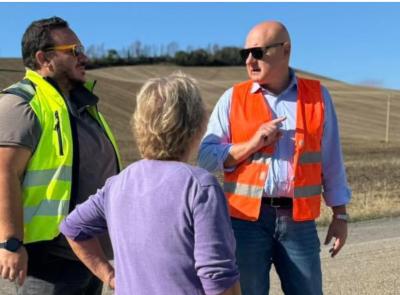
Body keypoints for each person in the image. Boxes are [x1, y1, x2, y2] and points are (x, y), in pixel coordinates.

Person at [198, 20, 351, 295]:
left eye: (258, 52)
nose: (249, 60)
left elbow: (331, 161)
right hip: (244, 222)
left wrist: (340, 214)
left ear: (285, 50)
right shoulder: (233, 98)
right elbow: (206, 157)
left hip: (299, 222)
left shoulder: (317, 97)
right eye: (244, 53)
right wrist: (252, 144)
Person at [59, 72, 241, 295]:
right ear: (196, 125)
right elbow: (217, 278)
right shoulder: (200, 186)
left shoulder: (117, 184)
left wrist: (109, 276)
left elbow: (73, 228)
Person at [0, 16, 121, 294]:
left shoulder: (82, 107)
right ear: (44, 59)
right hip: (47, 262)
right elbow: (3, 173)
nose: (84, 56)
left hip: (88, 255)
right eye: (73, 51)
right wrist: (10, 243)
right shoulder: (21, 105)